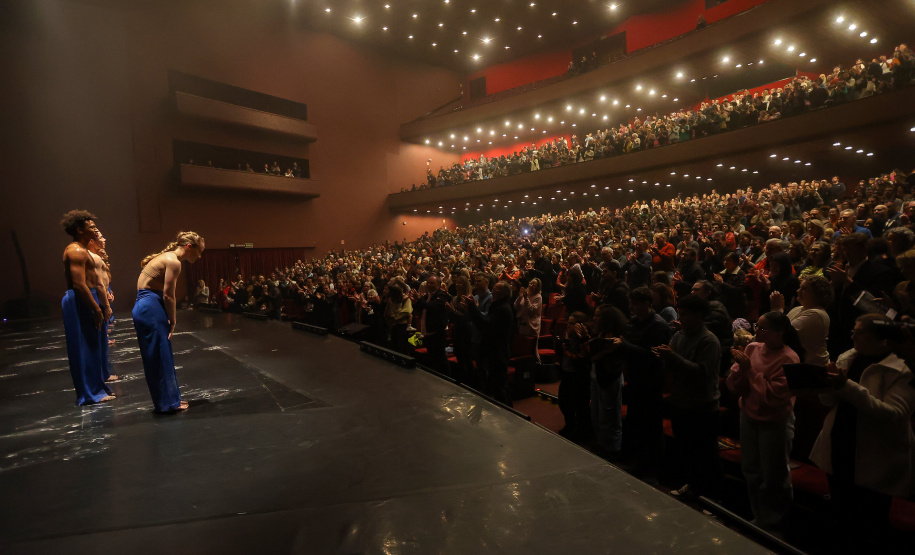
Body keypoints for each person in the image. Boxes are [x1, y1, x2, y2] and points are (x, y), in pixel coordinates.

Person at [810, 313, 915, 538]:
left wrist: (845, 386)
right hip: (840, 446)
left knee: (869, 525)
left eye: (858, 332)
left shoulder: (901, 370)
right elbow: (830, 403)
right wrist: (825, 386)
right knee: (840, 515)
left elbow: (893, 414)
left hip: (874, 457)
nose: (852, 336)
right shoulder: (848, 357)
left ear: (879, 338)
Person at [728, 311, 803, 531]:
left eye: (762, 328)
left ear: (779, 333)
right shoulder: (752, 348)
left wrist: (749, 371)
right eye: (756, 326)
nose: (756, 331)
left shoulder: (790, 358)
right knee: (751, 469)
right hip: (749, 416)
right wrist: (741, 371)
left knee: (774, 475)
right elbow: (735, 384)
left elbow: (772, 396)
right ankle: (758, 517)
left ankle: (775, 523)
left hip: (775, 421)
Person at [653, 294, 722, 499]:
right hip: (681, 401)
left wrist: (672, 357)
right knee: (686, 450)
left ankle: (712, 498)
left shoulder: (709, 341)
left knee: (706, 455)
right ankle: (692, 486)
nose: (680, 319)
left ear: (699, 315)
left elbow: (702, 373)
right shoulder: (679, 335)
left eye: (685, 315)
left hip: (702, 406)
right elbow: (673, 366)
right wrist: (664, 357)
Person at [133, 231, 205, 413]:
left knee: (159, 355)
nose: (200, 256)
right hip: (151, 306)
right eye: (200, 251)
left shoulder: (167, 257)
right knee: (159, 355)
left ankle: (170, 400)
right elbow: (168, 294)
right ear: (189, 247)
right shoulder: (173, 262)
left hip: (146, 305)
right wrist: (172, 319)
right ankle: (167, 403)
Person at [60, 210, 115, 405]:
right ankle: (90, 394)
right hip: (81, 299)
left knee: (93, 347)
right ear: (79, 230)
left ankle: (97, 389)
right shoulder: (75, 251)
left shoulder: (84, 250)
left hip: (88, 297)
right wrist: (97, 309)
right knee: (83, 348)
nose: (94, 229)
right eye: (90, 226)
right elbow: (79, 284)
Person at [464, 281, 515, 406]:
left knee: (500, 386)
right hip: (494, 350)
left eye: (496, 290)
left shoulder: (502, 309)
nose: (492, 291)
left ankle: (509, 413)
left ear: (503, 294)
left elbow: (484, 324)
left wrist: (472, 307)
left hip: (498, 351)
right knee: (495, 383)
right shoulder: (498, 306)